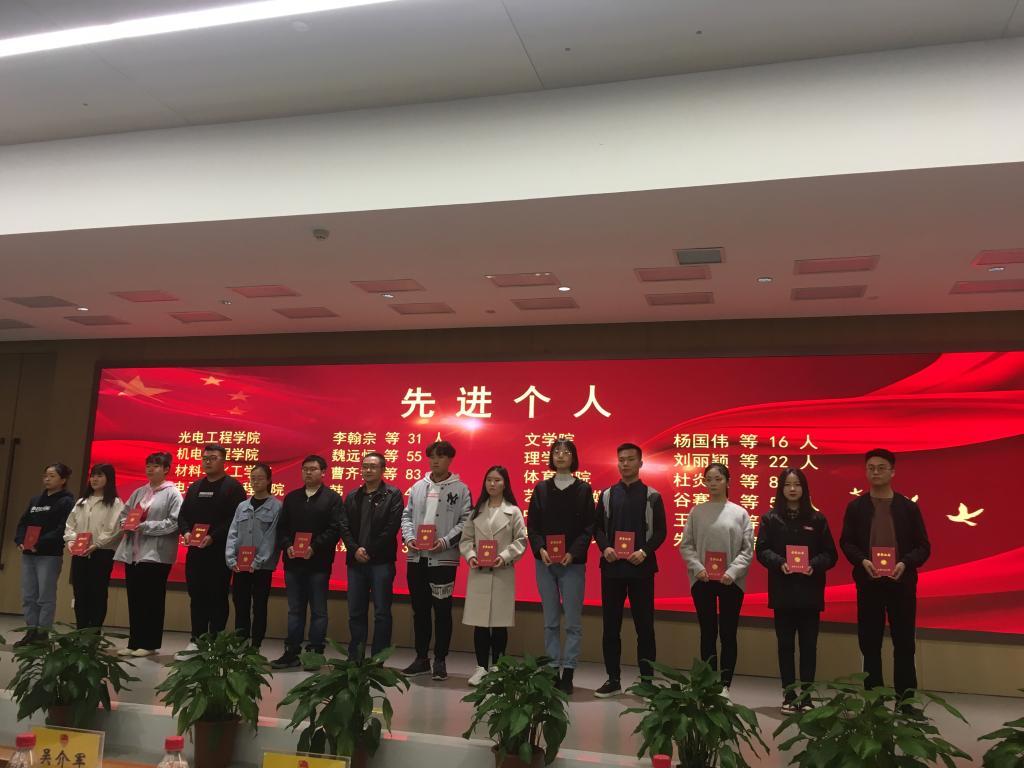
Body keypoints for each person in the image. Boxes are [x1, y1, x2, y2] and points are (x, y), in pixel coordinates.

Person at [840, 448, 930, 697]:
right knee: (870, 644)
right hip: (869, 584)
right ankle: (874, 700)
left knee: (904, 644)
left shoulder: (908, 508)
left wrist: (905, 563)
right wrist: (862, 561)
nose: (876, 472)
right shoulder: (856, 507)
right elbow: (846, 542)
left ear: (892, 472)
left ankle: (906, 701)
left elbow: (923, 547)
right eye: (871, 468)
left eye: (881, 468)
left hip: (902, 584)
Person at [755, 467, 837, 713]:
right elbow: (762, 550)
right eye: (788, 485)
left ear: (804, 488)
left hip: (810, 592)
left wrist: (814, 564)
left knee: (809, 646)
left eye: (797, 484)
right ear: (781, 489)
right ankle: (789, 695)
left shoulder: (817, 519)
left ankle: (807, 696)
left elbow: (830, 554)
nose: (792, 489)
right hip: (783, 591)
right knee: (785, 646)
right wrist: (779, 562)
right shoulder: (770, 519)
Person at [593, 443, 667, 697]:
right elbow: (597, 528)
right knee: (610, 627)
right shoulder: (606, 495)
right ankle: (613, 679)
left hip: (641, 569)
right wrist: (605, 547)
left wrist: (644, 551)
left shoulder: (652, 496)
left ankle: (646, 681)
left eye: (630, 459)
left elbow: (661, 532)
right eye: (621, 460)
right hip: (612, 568)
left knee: (644, 627)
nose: (625, 464)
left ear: (640, 463)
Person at [526, 439, 595, 694]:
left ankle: (569, 673)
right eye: (557, 452)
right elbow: (532, 526)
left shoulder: (583, 489)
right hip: (545, 563)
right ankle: (553, 669)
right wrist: (540, 549)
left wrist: (573, 553)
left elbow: (589, 528)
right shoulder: (541, 489)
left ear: (573, 457)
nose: (561, 455)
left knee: (573, 622)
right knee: (551, 621)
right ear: (551, 457)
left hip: (572, 564)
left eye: (566, 452)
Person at [400, 440, 472, 681]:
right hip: (416, 558)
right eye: (432, 457)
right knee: (419, 610)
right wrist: (409, 538)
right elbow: (407, 516)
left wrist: (444, 542)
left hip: (443, 561)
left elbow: (466, 521)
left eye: (440, 456)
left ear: (450, 459)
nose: (435, 461)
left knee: (442, 610)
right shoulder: (418, 486)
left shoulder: (461, 489)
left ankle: (440, 659)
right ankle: (421, 658)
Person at [679, 462, 753, 694]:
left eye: (718, 479)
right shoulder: (697, 512)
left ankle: (725, 685)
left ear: (728, 482)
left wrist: (732, 572)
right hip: (702, 580)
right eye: (708, 479)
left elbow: (747, 550)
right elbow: (686, 545)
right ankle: (708, 684)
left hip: (731, 582)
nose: (712, 483)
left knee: (728, 634)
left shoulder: (740, 513)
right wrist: (697, 567)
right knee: (708, 633)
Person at [272, 454, 343, 670]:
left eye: (313, 469)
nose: (308, 473)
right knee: (295, 609)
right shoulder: (292, 497)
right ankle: (291, 652)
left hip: (318, 564)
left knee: (319, 611)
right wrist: (287, 545)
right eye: (305, 469)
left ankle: (315, 653)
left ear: (323, 473)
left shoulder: (332, 498)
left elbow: (335, 529)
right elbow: (282, 528)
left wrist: (315, 547)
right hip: (293, 563)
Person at [176, 443, 246, 659]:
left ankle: (216, 642)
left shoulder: (233, 488)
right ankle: (196, 640)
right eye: (205, 458)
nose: (207, 461)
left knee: (217, 596)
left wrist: (213, 536)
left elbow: (235, 519)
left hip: (220, 552)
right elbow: (183, 515)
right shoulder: (195, 487)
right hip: (196, 552)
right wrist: (186, 532)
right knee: (196, 596)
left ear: (223, 461)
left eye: (213, 458)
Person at [460, 466, 528, 686]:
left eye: (497, 480)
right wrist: (471, 556)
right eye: (489, 480)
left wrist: (505, 556)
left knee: (499, 623)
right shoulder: (476, 511)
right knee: (479, 623)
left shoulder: (513, 511)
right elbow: (466, 540)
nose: (492, 484)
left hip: (502, 572)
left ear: (505, 483)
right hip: (479, 572)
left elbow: (521, 540)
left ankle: (499, 667)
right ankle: (481, 668)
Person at [114, 451, 183, 657]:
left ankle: (149, 644)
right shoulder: (139, 492)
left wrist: (144, 526)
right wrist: (125, 523)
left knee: (152, 600)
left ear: (166, 469)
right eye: (148, 465)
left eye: (155, 466)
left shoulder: (173, 493)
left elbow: (174, 523)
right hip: (133, 553)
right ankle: (134, 642)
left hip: (156, 555)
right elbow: (124, 514)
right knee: (135, 599)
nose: (150, 469)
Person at [338, 452, 404, 659]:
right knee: (356, 612)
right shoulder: (352, 496)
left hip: (381, 562)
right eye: (365, 466)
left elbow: (391, 527)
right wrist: (354, 549)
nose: (368, 470)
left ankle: (378, 659)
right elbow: (344, 526)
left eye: (373, 467)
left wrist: (369, 550)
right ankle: (355, 657)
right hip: (355, 562)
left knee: (382, 612)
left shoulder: (393, 494)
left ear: (383, 470)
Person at [13, 463, 75, 646]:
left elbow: (62, 528)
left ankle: (43, 634)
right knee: (28, 596)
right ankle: (31, 631)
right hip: (28, 554)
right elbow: (23, 522)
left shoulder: (66, 501)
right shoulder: (35, 500)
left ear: (63, 480)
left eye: (52, 476)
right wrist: (20, 540)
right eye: (45, 476)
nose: (47, 479)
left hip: (49, 555)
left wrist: (38, 543)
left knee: (45, 597)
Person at [225, 462, 282, 651]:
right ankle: (240, 643)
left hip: (262, 567)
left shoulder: (276, 507)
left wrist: (258, 561)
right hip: (240, 565)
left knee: (259, 606)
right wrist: (230, 558)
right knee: (240, 604)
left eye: (260, 478)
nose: (255, 482)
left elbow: (272, 537)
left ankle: (256, 645)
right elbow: (233, 532)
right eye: (253, 478)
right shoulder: (242, 506)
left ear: (269, 480)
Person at [63, 463, 125, 629]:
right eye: (92, 475)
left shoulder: (115, 503)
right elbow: (70, 524)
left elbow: (115, 528)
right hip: (80, 552)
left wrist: (97, 544)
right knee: (80, 592)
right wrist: (71, 540)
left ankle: (93, 634)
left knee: (97, 593)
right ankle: (81, 631)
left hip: (102, 553)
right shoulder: (82, 501)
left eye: (99, 475)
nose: (94, 479)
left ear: (108, 479)